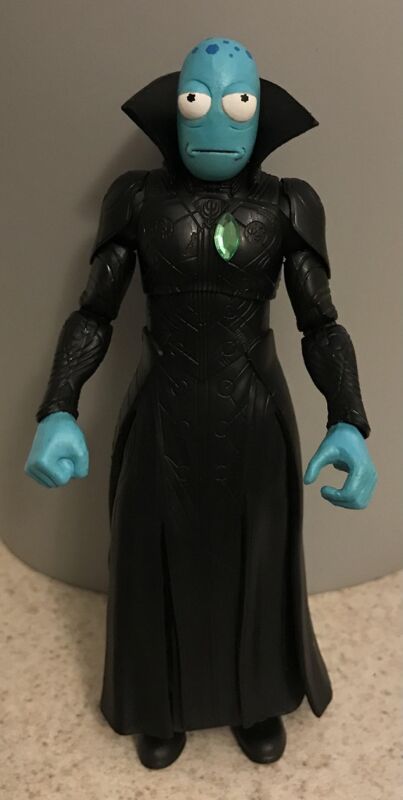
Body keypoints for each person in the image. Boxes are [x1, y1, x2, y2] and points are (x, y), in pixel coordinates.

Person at [25, 37, 377, 769]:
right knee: (154, 555)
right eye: (198, 100)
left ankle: (256, 697)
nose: (215, 118)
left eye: (236, 102)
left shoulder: (287, 203)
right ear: (175, 106)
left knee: (259, 555)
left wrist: (347, 418)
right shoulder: (138, 199)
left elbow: (320, 324)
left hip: (255, 412)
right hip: (162, 405)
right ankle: (160, 702)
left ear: (259, 113)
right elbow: (94, 313)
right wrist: (59, 405)